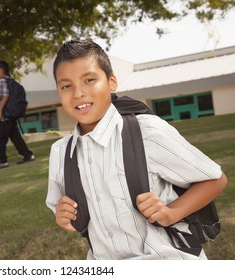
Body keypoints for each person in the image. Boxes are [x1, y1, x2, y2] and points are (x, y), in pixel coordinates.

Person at [46, 40, 228, 260]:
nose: (78, 93)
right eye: (66, 85)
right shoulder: (61, 153)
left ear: (111, 81)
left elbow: (215, 179)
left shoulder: (146, 132)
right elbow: (71, 217)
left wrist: (172, 213)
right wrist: (64, 218)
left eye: (89, 80)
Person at [0, 60, 35, 169]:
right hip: (11, 115)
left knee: (1, 138)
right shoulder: (10, 80)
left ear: (1, 70)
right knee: (15, 137)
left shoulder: (1, 81)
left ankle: (2, 161)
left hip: (4, 116)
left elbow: (4, 96)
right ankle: (27, 155)